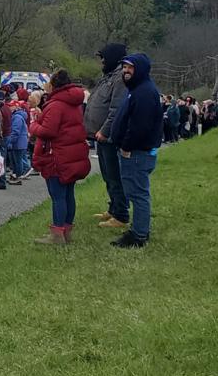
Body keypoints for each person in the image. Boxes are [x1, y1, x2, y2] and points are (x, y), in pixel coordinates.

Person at [29, 70, 91, 246]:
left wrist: (34, 125)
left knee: (58, 196)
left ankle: (57, 234)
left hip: (57, 155)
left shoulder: (56, 105)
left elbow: (49, 131)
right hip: (71, 153)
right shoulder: (74, 103)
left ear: (54, 84)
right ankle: (66, 230)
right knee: (68, 193)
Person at [109, 54, 164, 249]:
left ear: (140, 69)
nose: (126, 71)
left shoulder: (145, 93)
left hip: (137, 153)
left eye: (130, 68)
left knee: (138, 194)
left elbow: (140, 126)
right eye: (124, 67)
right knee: (135, 192)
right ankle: (138, 230)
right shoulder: (137, 90)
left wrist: (126, 146)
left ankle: (139, 234)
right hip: (134, 152)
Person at [84, 43, 130, 229]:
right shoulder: (107, 76)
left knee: (114, 175)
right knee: (107, 175)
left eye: (103, 58)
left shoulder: (120, 79)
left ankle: (120, 214)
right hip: (99, 136)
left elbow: (116, 109)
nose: (101, 62)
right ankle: (113, 208)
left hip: (109, 137)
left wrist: (105, 131)